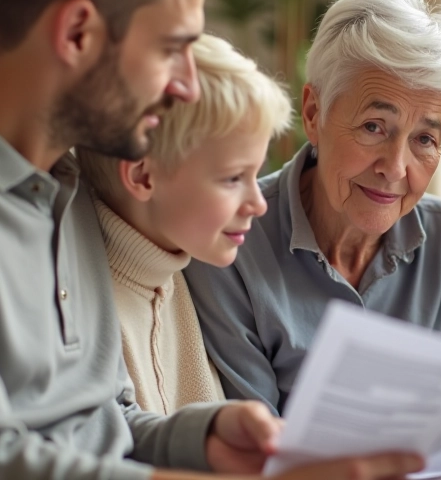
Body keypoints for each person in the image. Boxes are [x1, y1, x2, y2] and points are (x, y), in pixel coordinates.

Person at [0, 0, 423, 479]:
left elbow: (101, 424)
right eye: (172, 48)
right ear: (78, 32)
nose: (184, 84)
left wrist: (207, 437)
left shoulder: (65, 191)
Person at [184, 0, 441, 456]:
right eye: (374, 127)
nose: (396, 167)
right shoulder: (231, 242)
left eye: (424, 139)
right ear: (314, 113)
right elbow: (256, 451)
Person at [75, 33, 292, 415]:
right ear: (143, 177)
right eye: (232, 178)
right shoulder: (83, 311)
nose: (258, 204)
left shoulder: (180, 269)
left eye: (257, 174)